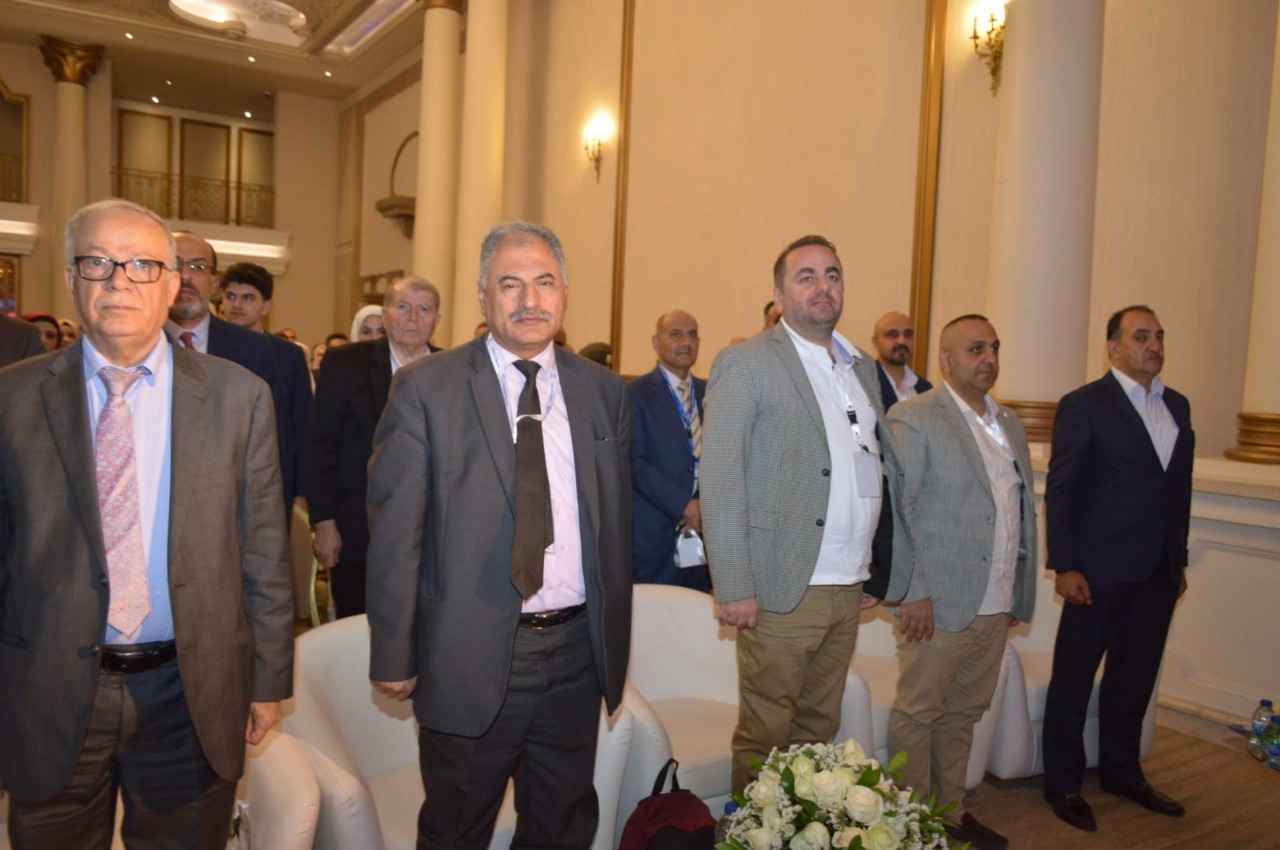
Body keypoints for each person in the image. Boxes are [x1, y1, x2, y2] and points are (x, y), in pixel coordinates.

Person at [0, 198, 293, 848]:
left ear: (172, 283)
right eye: (97, 263)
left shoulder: (238, 398)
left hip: (191, 691)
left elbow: (264, 551)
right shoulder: (11, 398)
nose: (118, 282)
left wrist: (268, 679)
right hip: (48, 688)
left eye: (141, 265)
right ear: (72, 279)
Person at [366, 222, 631, 848]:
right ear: (483, 296)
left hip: (575, 652)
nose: (530, 300)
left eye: (544, 282)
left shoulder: (604, 390)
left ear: (564, 293)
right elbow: (396, 534)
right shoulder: (425, 389)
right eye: (510, 284)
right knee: (457, 827)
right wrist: (394, 653)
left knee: (562, 825)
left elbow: (614, 525)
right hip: (468, 652)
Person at [702, 234, 903, 791]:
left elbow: (875, 468)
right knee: (766, 733)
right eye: (806, 276)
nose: (823, 287)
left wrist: (874, 566)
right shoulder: (747, 362)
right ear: (779, 294)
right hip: (783, 581)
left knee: (819, 728)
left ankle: (800, 826)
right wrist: (734, 585)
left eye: (832, 275)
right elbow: (720, 476)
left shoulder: (862, 368)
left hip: (849, 581)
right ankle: (750, 829)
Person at [885, 315, 1036, 850]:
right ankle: (907, 824)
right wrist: (913, 590)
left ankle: (949, 814)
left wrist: (1017, 588)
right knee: (919, 714)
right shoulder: (915, 416)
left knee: (964, 714)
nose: (988, 358)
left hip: (995, 599)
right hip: (937, 600)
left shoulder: (1009, 422)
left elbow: (1016, 512)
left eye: (994, 347)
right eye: (975, 349)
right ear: (946, 361)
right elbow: (899, 510)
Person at [1041, 305, 1194, 832]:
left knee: (1134, 678)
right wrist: (1065, 564)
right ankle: (1063, 782)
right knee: (1074, 678)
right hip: (1097, 570)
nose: (1154, 346)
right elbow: (1062, 487)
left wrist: (1178, 558)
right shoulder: (1084, 404)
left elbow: (1178, 491)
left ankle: (1122, 772)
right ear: (1113, 347)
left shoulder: (1177, 405)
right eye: (1141, 336)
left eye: (1159, 336)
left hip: (1157, 570)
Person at [307, 277, 442, 618]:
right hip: (358, 530)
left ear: (436, 319)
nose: (413, 317)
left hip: (433, 535)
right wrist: (324, 524)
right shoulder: (346, 363)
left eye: (424, 309)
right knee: (360, 629)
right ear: (385, 315)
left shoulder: (451, 370)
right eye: (403, 307)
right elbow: (321, 447)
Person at [165, 232, 293, 515]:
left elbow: (274, 446)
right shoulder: (135, 346)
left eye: (198, 267)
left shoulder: (254, 350)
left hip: (229, 511)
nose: (185, 276)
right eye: (175, 264)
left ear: (214, 283)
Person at [221, 262, 312, 514]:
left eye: (248, 298)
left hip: (272, 476)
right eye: (230, 296)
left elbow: (301, 424)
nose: (237, 305)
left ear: (267, 306)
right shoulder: (205, 349)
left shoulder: (288, 355)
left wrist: (301, 492)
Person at [629, 309, 710, 591]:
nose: (685, 342)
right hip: (654, 536)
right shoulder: (634, 394)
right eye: (675, 334)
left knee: (697, 613)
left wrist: (703, 506)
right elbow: (636, 463)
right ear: (656, 343)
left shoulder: (712, 393)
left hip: (704, 535)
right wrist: (684, 505)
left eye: (692, 335)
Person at [872, 310, 932, 410]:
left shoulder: (925, 389)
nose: (902, 341)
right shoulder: (866, 384)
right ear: (875, 342)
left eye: (908, 334)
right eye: (892, 334)